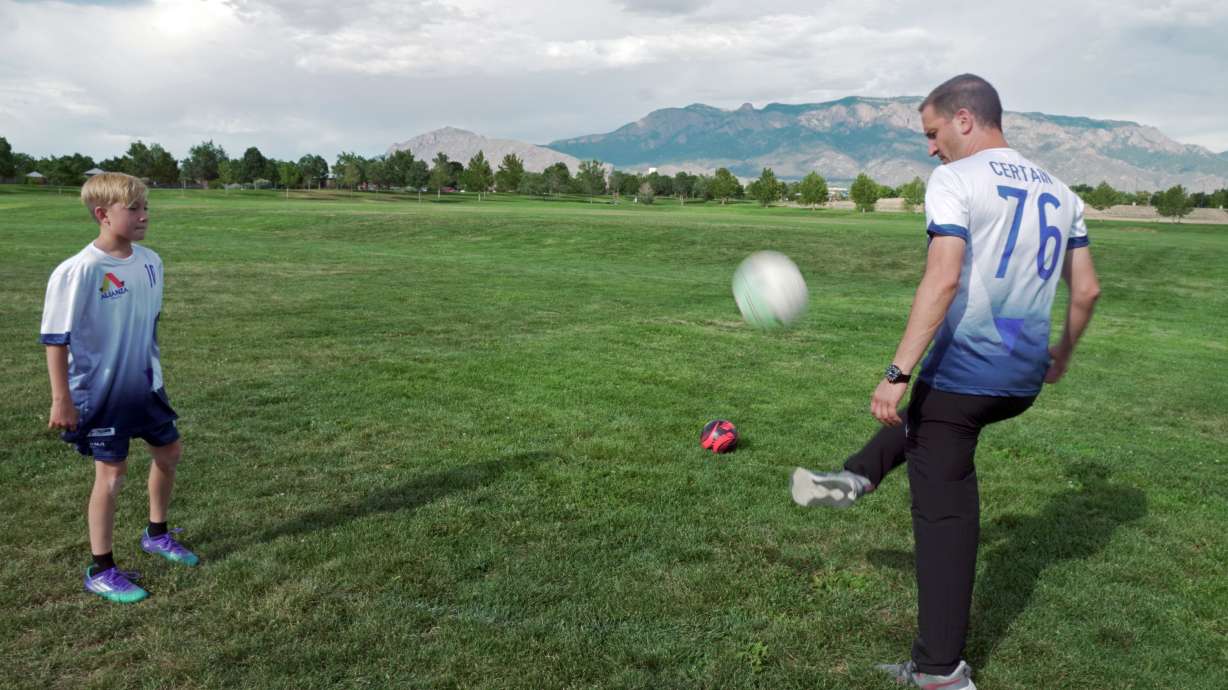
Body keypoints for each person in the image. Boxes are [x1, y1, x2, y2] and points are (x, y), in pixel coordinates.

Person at [790, 74, 1101, 689]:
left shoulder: (956, 180)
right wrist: (1061, 352)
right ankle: (856, 475)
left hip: (967, 378)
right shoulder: (1062, 192)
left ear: (964, 119)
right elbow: (1086, 289)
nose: (930, 148)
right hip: (1021, 375)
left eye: (932, 133)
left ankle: (941, 673)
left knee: (943, 517)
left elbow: (944, 280)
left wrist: (895, 373)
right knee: (933, 416)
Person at [42, 172, 198, 604]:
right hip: (100, 392)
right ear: (102, 214)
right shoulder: (79, 271)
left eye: (146, 208)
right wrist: (62, 398)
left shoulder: (151, 261)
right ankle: (101, 568)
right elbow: (56, 339)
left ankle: (157, 534)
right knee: (111, 474)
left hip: (145, 385)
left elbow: (150, 324)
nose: (144, 216)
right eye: (134, 209)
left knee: (169, 453)